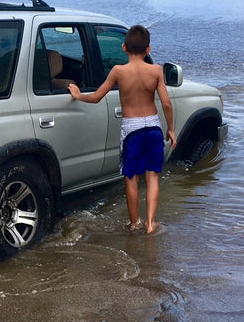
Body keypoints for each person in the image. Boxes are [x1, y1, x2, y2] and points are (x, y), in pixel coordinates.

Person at [69, 25, 176, 233]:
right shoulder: (156, 70)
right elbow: (166, 103)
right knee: (153, 175)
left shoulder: (118, 71)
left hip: (132, 129)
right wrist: (170, 129)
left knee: (131, 177)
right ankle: (151, 223)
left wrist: (78, 94)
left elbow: (96, 97)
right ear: (149, 50)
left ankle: (135, 222)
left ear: (124, 47)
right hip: (153, 126)